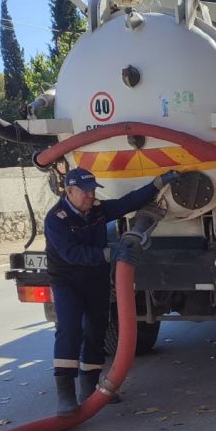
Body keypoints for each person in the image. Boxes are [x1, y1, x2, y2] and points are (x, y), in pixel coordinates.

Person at [45, 167, 180, 416]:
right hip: (68, 282)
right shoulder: (57, 219)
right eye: (85, 191)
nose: (90, 195)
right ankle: (65, 394)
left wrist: (156, 184)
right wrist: (109, 253)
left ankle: (90, 388)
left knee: (97, 330)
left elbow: (125, 203)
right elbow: (71, 254)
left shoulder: (95, 210)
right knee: (70, 329)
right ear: (70, 191)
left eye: (93, 190)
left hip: (95, 280)